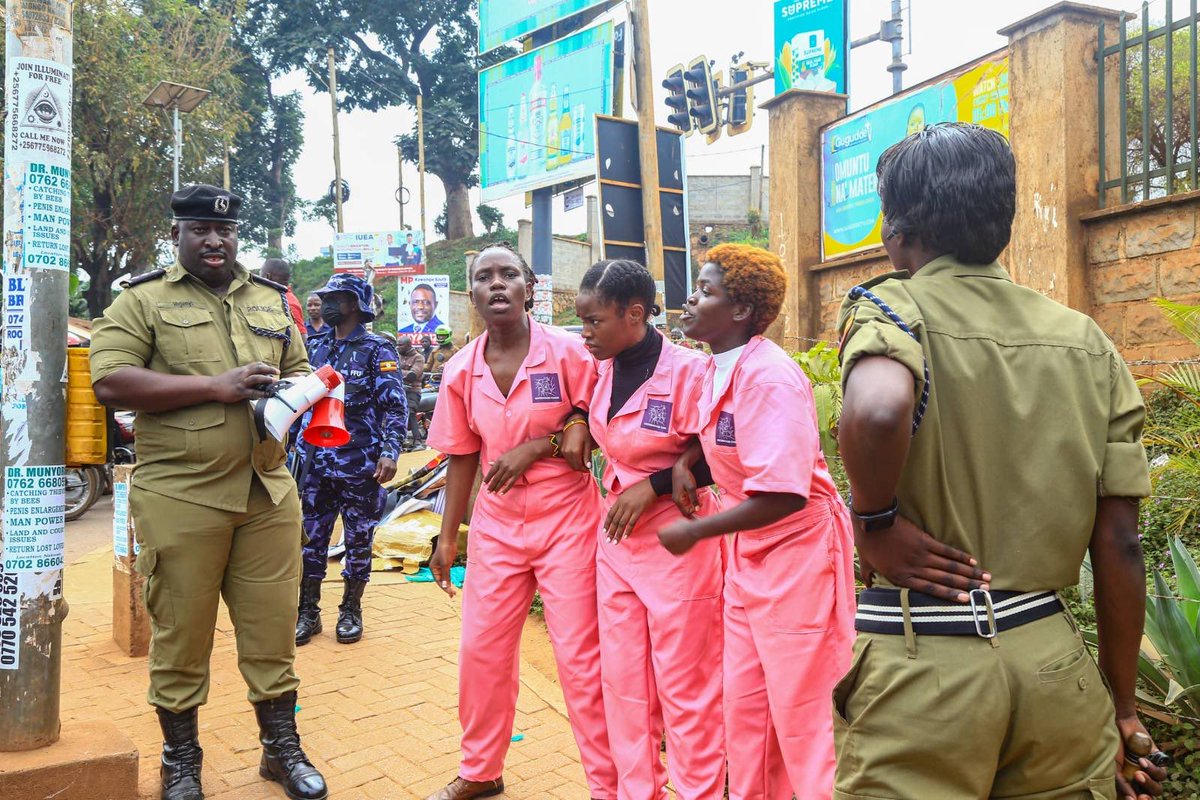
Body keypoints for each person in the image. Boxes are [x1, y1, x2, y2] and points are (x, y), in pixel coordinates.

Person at [833, 123, 1169, 799]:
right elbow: (1122, 542)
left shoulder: (895, 307)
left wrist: (875, 521)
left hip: (924, 665)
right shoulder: (1086, 340)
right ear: (1003, 225)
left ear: (898, 237)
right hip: (1053, 664)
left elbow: (874, 411)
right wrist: (1123, 706)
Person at [89, 184, 327, 800]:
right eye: (199, 229)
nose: (214, 239)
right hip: (182, 496)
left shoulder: (270, 299)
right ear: (178, 236)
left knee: (273, 632)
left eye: (223, 231)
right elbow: (111, 380)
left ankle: (280, 752)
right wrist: (214, 387)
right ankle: (181, 762)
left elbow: (300, 367)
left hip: (268, 493)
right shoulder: (143, 300)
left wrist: (303, 392)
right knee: (181, 635)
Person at [658, 243, 855, 799]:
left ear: (741, 311)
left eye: (706, 290)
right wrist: (685, 462)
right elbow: (716, 432)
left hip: (798, 553)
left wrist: (695, 530)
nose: (690, 299)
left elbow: (785, 496)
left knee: (801, 709)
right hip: (750, 553)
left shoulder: (770, 378)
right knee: (746, 710)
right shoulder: (714, 368)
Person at [424, 242, 617, 800]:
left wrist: (550, 438)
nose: (498, 284)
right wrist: (446, 537)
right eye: (485, 277)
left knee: (580, 658)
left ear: (530, 287)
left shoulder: (569, 352)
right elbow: (462, 455)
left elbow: (603, 412)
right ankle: (480, 770)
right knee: (482, 652)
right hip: (499, 526)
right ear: (473, 295)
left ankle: (607, 783)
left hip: (567, 519)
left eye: (510, 274)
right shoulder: (462, 370)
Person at [575, 260, 726, 799]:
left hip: (677, 542)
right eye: (581, 322)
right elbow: (586, 416)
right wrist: (572, 425)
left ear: (634, 314)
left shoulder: (691, 372)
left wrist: (656, 485)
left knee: (687, 688)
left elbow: (723, 452)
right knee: (624, 686)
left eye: (594, 322)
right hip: (617, 545)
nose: (585, 334)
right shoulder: (602, 367)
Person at [294, 273, 407, 647]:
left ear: (356, 305)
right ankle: (307, 613)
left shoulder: (378, 349)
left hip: (360, 463)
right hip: (315, 463)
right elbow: (299, 402)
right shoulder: (315, 346)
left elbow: (395, 407)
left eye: (336, 298)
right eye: (324, 297)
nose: (326, 304)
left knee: (358, 540)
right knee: (310, 541)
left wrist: (390, 452)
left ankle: (350, 611)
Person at [261, 258, 307, 335]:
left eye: (260, 275)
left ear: (267, 277)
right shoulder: (277, 298)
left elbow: (302, 337)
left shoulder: (288, 303)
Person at [396, 334, 426, 443]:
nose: (398, 347)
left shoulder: (418, 357)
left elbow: (413, 375)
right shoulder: (396, 355)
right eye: (397, 345)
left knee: (410, 410)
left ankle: (417, 440)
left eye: (400, 345)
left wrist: (395, 371)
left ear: (409, 345)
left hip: (412, 390)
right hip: (398, 388)